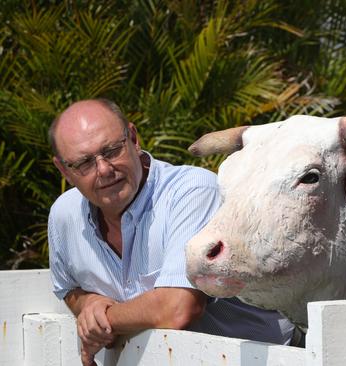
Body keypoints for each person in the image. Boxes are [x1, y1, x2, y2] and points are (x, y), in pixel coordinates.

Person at [48, 99, 296, 365]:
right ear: (64, 169)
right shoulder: (64, 215)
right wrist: (88, 303)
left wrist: (102, 320)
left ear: (133, 138)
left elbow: (178, 308)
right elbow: (68, 288)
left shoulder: (192, 192)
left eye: (111, 150)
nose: (105, 169)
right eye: (85, 163)